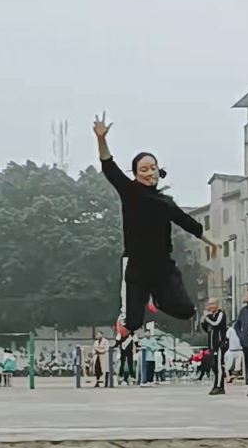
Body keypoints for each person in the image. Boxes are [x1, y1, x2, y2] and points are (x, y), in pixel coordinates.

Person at [93, 113, 218, 337]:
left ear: (158, 170)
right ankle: (137, 307)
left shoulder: (165, 202)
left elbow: (188, 223)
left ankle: (156, 301)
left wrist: (212, 242)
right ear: (135, 174)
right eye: (143, 169)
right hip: (136, 266)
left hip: (163, 267)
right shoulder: (129, 191)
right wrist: (101, 139)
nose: (149, 173)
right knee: (132, 323)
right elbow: (109, 166)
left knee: (187, 311)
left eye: (152, 168)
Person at [201, 298, 228, 395]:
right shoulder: (211, 315)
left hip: (219, 344)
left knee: (219, 366)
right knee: (214, 366)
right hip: (212, 344)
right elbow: (207, 328)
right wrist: (204, 320)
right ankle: (216, 384)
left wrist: (207, 319)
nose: (211, 306)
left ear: (217, 304)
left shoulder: (221, 314)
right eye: (209, 304)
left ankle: (219, 386)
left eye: (213, 304)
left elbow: (216, 324)